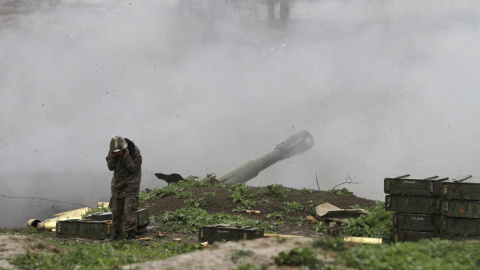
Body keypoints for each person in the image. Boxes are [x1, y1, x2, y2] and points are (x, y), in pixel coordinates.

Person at [106, 136, 142, 240]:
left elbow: (134, 169)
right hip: (117, 186)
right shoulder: (113, 152)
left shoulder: (135, 152)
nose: (117, 154)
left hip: (131, 186)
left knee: (129, 211)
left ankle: (130, 234)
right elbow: (110, 167)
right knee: (116, 211)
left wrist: (127, 158)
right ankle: (118, 234)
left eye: (119, 152)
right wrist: (112, 157)